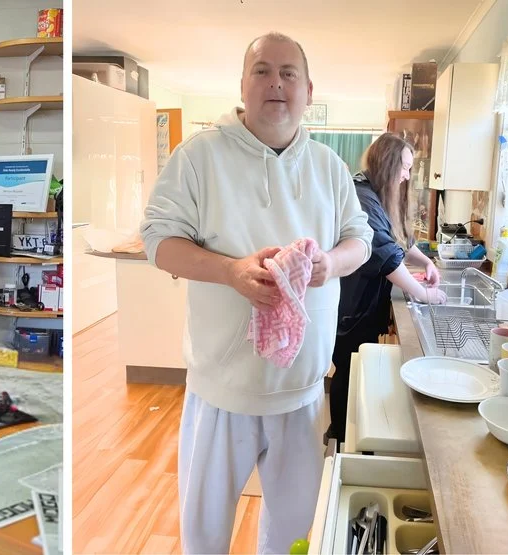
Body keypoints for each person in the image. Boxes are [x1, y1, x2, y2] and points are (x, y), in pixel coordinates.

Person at [139, 32, 372, 554]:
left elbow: (361, 239)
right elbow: (157, 241)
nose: (276, 83)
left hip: (303, 390)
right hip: (222, 388)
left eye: (289, 73)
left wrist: (327, 264)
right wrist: (231, 271)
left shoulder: (329, 167)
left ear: (308, 89)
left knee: (293, 535)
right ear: (242, 85)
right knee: (205, 536)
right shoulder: (199, 156)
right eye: (262, 70)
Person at [331, 132, 443, 442]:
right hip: (352, 308)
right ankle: (340, 436)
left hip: (360, 304)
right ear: (389, 164)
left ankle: (344, 433)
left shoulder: (373, 192)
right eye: (405, 167)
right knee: (348, 368)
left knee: (352, 366)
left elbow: (398, 239)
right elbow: (385, 252)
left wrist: (425, 262)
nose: (408, 175)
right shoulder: (362, 197)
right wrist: (422, 293)